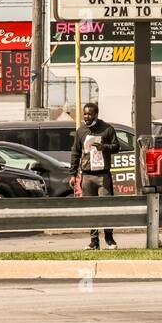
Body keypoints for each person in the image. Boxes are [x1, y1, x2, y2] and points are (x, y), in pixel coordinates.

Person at [69, 102, 120, 250]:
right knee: (90, 208)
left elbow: (117, 147)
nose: (86, 116)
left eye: (89, 114)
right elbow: (75, 153)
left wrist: (104, 147)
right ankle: (94, 241)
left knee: (106, 207)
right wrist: (73, 174)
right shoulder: (81, 131)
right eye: (85, 114)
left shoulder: (107, 129)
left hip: (102, 175)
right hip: (87, 175)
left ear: (96, 114)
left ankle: (109, 239)